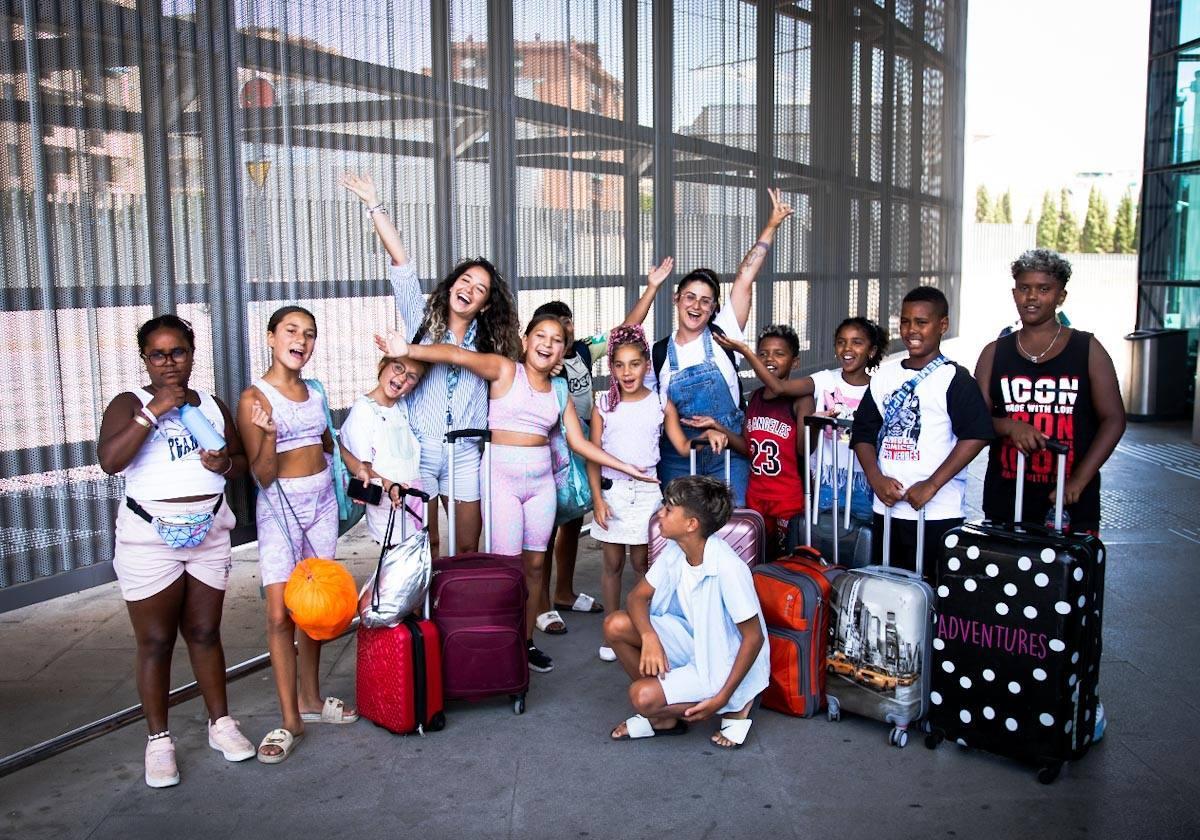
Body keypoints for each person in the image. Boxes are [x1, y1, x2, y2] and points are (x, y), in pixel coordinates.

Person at [376, 314, 657, 674]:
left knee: (535, 565)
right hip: (501, 481)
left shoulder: (559, 391)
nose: (547, 344)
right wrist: (409, 350)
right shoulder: (506, 370)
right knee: (506, 568)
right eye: (541, 335)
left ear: (563, 351)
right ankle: (498, 642)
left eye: (556, 340)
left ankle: (524, 644)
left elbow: (579, 442)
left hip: (541, 485)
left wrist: (625, 466)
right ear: (526, 340)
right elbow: (456, 356)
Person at [98, 314, 255, 788]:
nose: (169, 362)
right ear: (145, 360)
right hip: (149, 538)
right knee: (156, 641)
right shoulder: (130, 402)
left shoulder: (211, 402)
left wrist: (224, 462)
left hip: (207, 533)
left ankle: (220, 724)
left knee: (205, 632)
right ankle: (159, 741)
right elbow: (110, 461)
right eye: (158, 355)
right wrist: (154, 411)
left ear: (192, 354)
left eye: (178, 352)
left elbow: (240, 462)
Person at [343, 172, 521, 558]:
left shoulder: (491, 343)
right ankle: (431, 614)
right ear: (452, 283)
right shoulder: (421, 320)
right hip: (418, 448)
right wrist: (374, 204)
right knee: (428, 542)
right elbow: (401, 262)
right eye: (465, 280)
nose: (469, 290)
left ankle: (460, 609)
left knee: (468, 544)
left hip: (465, 451)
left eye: (479, 289)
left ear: (485, 304)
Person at [237, 306, 369, 764]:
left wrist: (351, 464)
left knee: (315, 606)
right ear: (271, 337)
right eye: (291, 331)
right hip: (281, 508)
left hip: (322, 505)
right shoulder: (255, 398)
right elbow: (263, 476)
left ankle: (312, 701)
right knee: (280, 614)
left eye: (309, 334)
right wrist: (269, 436)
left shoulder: (315, 391)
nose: (301, 340)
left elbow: (327, 444)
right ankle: (290, 716)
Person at [624, 189, 794, 505]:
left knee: (736, 532)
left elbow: (745, 277)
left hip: (728, 454)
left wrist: (771, 225)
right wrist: (651, 288)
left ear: (714, 307)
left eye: (705, 301)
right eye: (689, 297)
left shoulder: (723, 334)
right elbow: (624, 337)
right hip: (678, 457)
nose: (696, 306)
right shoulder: (659, 354)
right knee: (681, 537)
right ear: (676, 299)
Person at [589, 325, 728, 661]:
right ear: (611, 368)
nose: (627, 372)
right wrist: (597, 499)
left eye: (634, 364)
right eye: (619, 365)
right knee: (611, 563)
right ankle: (611, 630)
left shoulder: (659, 404)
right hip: (613, 492)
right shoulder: (603, 404)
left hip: (649, 491)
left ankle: (645, 629)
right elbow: (592, 455)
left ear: (646, 366)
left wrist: (705, 436)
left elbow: (680, 444)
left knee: (643, 563)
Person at [603, 476, 769, 749]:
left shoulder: (728, 568)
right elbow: (636, 597)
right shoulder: (675, 549)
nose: (660, 513)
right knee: (616, 625)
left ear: (691, 525)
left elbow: (754, 639)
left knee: (642, 697)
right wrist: (649, 637)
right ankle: (665, 713)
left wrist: (722, 696)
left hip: (723, 659)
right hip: (691, 640)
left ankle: (736, 702)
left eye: (668, 510)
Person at [975, 249, 1126, 535]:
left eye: (1044, 289)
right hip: (1007, 501)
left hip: (1070, 504)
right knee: (1004, 576)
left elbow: (1114, 419)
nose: (1031, 297)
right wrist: (1009, 426)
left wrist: (1079, 481)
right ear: (1014, 292)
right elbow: (975, 421)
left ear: (1061, 296)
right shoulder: (994, 353)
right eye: (1024, 288)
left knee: (1067, 578)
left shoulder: (1087, 349)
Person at [849, 287, 995, 576]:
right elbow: (863, 433)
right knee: (889, 590)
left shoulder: (954, 378)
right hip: (888, 510)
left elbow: (976, 434)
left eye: (921, 322)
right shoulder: (884, 376)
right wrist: (876, 479)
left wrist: (932, 484)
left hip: (937, 513)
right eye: (905, 321)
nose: (911, 330)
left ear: (943, 325)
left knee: (930, 594)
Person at [718, 317, 888, 526]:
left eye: (857, 342)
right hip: (825, 480)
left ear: (871, 351)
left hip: (864, 480)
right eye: (841, 342)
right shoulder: (825, 380)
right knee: (823, 542)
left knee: (862, 540)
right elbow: (779, 390)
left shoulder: (881, 388)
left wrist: (746, 352)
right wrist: (814, 424)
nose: (847, 348)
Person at [697, 324, 815, 558]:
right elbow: (749, 448)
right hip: (757, 497)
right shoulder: (756, 397)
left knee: (786, 563)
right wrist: (717, 427)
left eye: (779, 354)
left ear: (795, 362)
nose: (770, 359)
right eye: (763, 353)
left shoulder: (802, 400)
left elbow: (804, 449)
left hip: (788, 500)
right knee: (758, 559)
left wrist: (815, 425)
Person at [530, 300, 607, 633]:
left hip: (580, 442)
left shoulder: (584, 352)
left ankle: (564, 592)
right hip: (549, 448)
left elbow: (622, 332)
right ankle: (541, 603)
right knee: (544, 528)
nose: (564, 330)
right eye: (552, 328)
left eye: (567, 324)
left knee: (574, 519)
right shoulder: (539, 366)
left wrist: (652, 288)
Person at [337, 354, 426, 544]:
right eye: (398, 368)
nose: (402, 378)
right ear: (383, 365)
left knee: (416, 556)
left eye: (411, 376)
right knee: (398, 560)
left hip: (414, 495)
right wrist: (390, 485)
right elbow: (363, 468)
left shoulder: (402, 408)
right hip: (389, 501)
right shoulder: (364, 410)